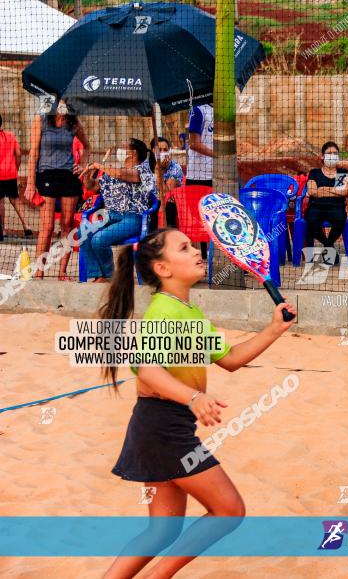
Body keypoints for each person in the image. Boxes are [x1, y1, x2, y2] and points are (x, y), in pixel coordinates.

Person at [100, 227, 295, 578]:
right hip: (162, 427)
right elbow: (146, 369)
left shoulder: (186, 311)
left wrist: (273, 330)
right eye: (185, 248)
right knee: (229, 510)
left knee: (162, 531)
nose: (196, 251)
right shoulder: (164, 312)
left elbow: (231, 359)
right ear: (163, 269)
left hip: (160, 426)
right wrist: (193, 397)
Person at [23, 100, 90, 280]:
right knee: (48, 225)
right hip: (46, 175)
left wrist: (81, 165)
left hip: (68, 176)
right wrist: (31, 183)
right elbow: (33, 152)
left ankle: (62, 272)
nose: (63, 104)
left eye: (66, 101)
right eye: (61, 100)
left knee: (67, 224)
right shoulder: (41, 119)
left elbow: (87, 146)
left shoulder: (73, 122)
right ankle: (39, 272)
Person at [79, 139, 157, 282]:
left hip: (133, 218)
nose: (120, 151)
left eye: (123, 148)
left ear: (133, 153)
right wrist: (87, 175)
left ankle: (109, 276)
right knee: (83, 233)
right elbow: (92, 187)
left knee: (99, 239)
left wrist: (99, 165)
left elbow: (122, 174)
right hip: (110, 215)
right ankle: (99, 275)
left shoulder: (143, 171)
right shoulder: (113, 171)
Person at [305, 141, 348, 261]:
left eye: (335, 153)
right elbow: (312, 191)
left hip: (336, 207)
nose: (332, 156)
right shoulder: (314, 173)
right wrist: (335, 190)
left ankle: (327, 246)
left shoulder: (342, 172)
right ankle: (329, 247)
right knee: (310, 220)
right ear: (322, 156)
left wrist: (325, 189)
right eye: (329, 153)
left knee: (340, 219)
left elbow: (346, 191)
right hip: (316, 207)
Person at [0, 113, 33, 240]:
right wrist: (15, 168)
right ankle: (27, 226)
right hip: (11, 173)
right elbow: (18, 154)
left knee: (1, 202)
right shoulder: (11, 136)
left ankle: (2, 230)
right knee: (16, 200)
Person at [150, 136, 184, 225]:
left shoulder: (175, 167)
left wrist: (159, 172)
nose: (163, 152)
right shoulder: (146, 166)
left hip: (169, 202)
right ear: (153, 150)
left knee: (169, 207)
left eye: (165, 150)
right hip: (150, 201)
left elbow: (167, 194)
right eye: (159, 150)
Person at [187, 103, 214, 187]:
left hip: (217, 174)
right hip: (199, 177)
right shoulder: (198, 110)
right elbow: (194, 144)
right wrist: (219, 155)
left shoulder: (222, 110)